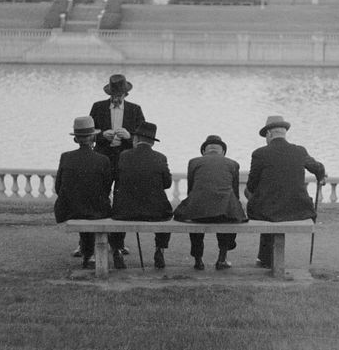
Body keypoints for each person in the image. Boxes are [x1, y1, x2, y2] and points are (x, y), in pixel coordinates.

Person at [73, 73, 144, 258]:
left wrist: (129, 136)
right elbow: (87, 134)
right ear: (110, 93)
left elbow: (143, 136)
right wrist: (101, 134)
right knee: (95, 199)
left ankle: (118, 245)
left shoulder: (136, 110)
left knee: (122, 201)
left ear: (125, 94)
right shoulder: (98, 107)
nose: (116, 97)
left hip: (124, 160)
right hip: (101, 159)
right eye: (114, 94)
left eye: (119, 94)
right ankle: (85, 245)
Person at [245, 115, 326, 269]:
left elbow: (251, 186)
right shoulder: (300, 151)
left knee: (261, 203)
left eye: (266, 136)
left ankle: (264, 258)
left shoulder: (259, 154)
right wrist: (321, 176)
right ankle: (264, 258)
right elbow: (318, 167)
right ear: (284, 133)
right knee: (270, 204)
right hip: (297, 210)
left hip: (267, 211)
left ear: (269, 134)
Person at [173, 134, 246, 270]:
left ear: (203, 151)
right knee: (230, 212)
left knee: (194, 213)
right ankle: (222, 259)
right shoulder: (233, 163)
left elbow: (191, 190)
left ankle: (198, 260)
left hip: (199, 210)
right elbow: (235, 193)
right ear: (223, 151)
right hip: (224, 211)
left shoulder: (194, 162)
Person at [111, 121, 173, 269]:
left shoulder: (124, 156)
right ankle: (160, 249)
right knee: (166, 214)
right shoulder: (161, 157)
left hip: (125, 211)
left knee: (116, 209)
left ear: (136, 139)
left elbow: (118, 180)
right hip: (155, 212)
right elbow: (167, 184)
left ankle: (117, 250)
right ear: (152, 142)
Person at [53, 116, 113, 268]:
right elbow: (106, 189)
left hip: (70, 209)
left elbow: (58, 187)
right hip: (97, 210)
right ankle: (93, 254)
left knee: (82, 207)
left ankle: (88, 254)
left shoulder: (65, 157)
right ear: (93, 137)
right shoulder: (103, 159)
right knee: (94, 206)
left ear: (76, 139)